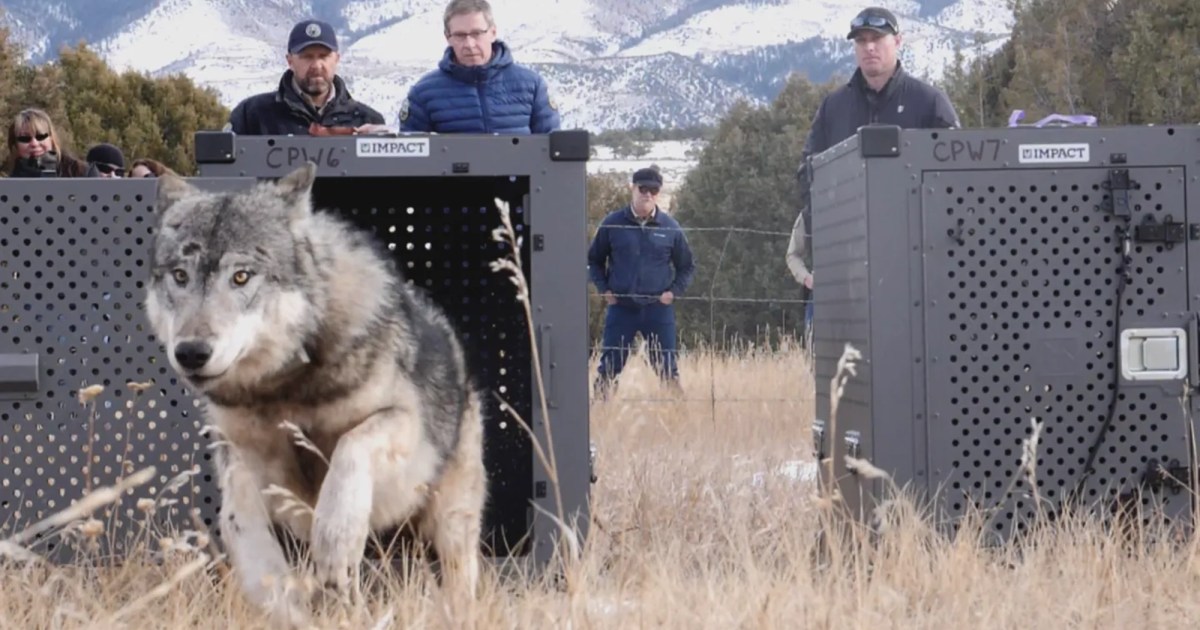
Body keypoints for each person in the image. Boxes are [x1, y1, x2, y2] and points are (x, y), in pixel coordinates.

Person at [787, 6, 961, 342]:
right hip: (847, 264)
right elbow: (808, 173)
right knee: (846, 371)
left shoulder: (930, 103)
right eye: (861, 41)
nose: (869, 47)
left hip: (917, 266)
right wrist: (828, 234)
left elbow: (956, 178)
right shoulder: (833, 108)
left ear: (897, 41)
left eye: (877, 39)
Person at [587, 167, 695, 399]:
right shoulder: (612, 223)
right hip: (622, 308)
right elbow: (594, 260)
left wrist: (673, 293)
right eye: (642, 188)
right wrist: (604, 289)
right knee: (610, 365)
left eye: (653, 190)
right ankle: (599, 412)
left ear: (659, 193)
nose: (647, 194)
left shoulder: (671, 228)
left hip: (658, 308)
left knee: (667, 367)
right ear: (632, 189)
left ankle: (678, 414)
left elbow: (686, 267)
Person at [399, 0, 560, 134]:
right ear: (448, 37)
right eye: (460, 35)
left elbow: (552, 149)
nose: (469, 44)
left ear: (493, 32)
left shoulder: (532, 86)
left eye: (476, 33)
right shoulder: (424, 93)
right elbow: (411, 160)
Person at [228, 19, 386, 136]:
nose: (317, 65)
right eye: (307, 57)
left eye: (324, 56)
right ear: (290, 61)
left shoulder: (368, 120)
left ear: (337, 59)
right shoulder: (251, 115)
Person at [0, 108, 88, 178]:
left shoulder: (82, 172)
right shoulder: (8, 186)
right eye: (25, 139)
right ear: (15, 145)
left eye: (40, 136)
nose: (34, 143)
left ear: (51, 138)